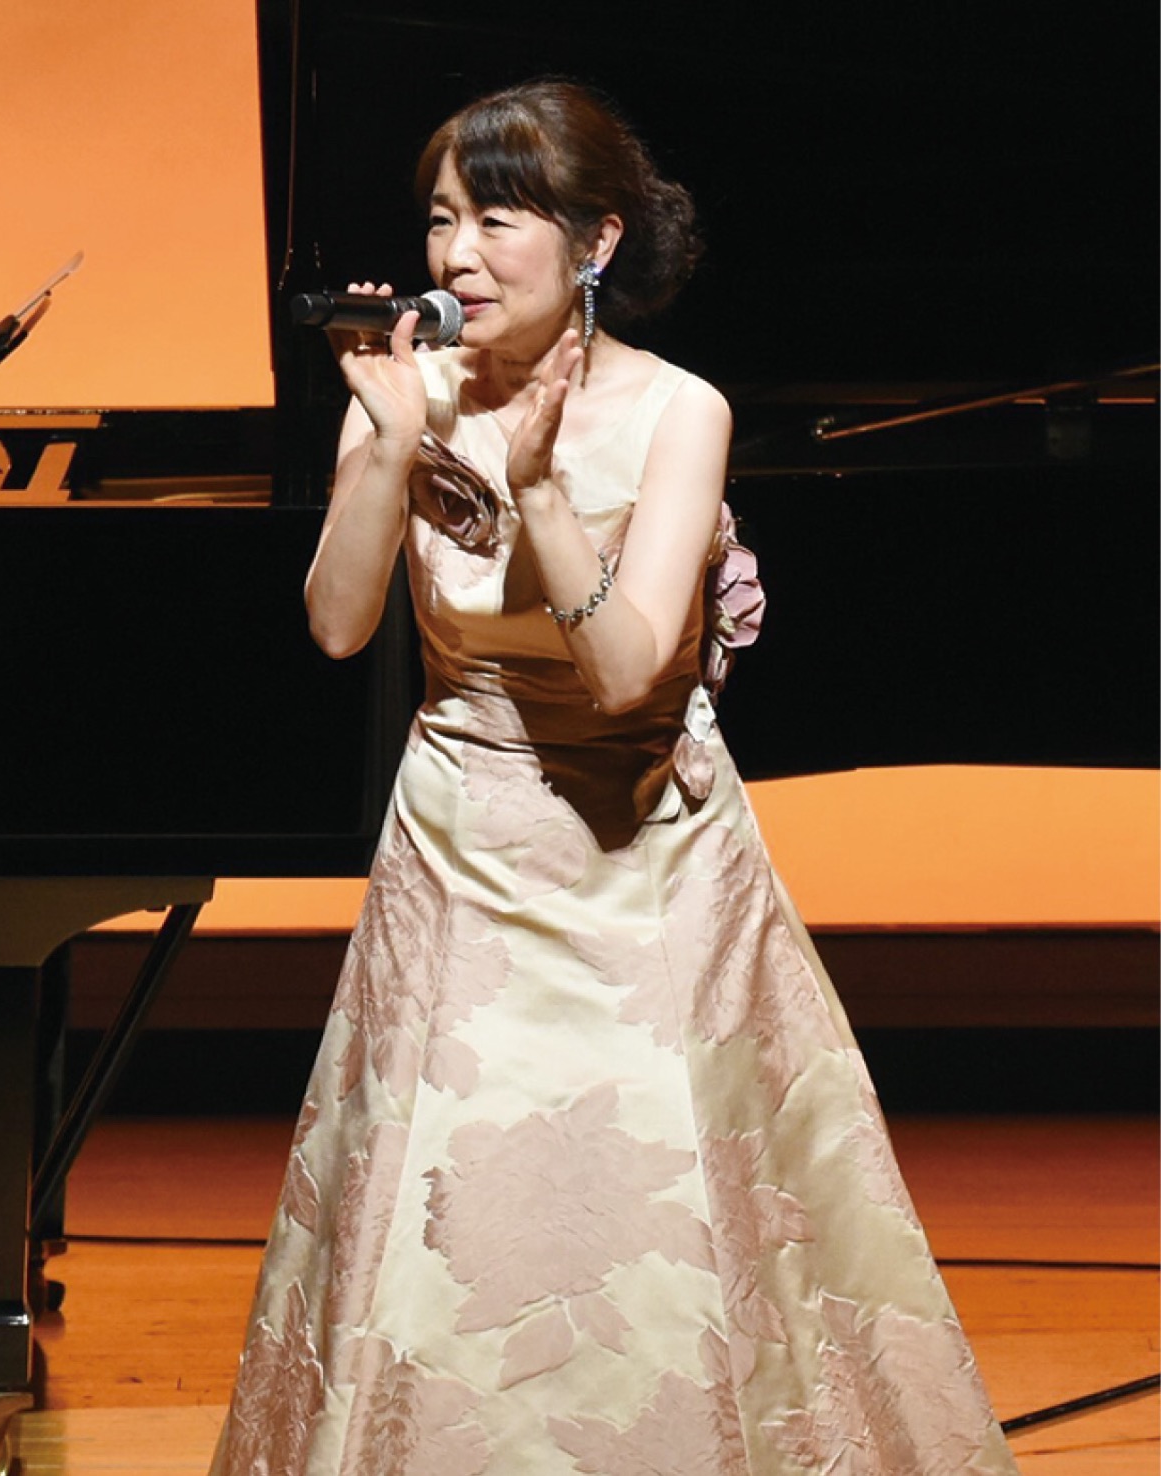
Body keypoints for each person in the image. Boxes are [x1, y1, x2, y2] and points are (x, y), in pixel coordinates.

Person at [210, 80, 1020, 1475]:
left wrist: (535, 493)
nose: (457, 255)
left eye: (498, 220)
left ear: (594, 243)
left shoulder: (678, 409)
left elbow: (632, 671)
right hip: (459, 845)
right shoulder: (407, 391)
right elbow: (339, 627)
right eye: (442, 221)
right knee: (447, 1212)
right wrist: (390, 444)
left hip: (646, 859)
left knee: (675, 1212)